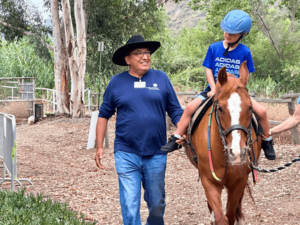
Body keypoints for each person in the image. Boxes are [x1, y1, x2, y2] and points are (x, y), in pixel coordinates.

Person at [161, 10, 276, 160]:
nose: (227, 35)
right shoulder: (214, 48)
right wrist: (214, 88)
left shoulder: (245, 52)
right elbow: (208, 68)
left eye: (232, 33)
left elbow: (246, 74)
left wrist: (239, 88)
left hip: (237, 91)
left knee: (262, 112)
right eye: (226, 31)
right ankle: (176, 137)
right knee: (189, 108)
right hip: (214, 89)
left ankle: (267, 140)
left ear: (243, 34)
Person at [94, 35, 183, 225]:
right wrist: (99, 146)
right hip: (126, 152)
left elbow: (175, 110)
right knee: (129, 203)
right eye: (139, 53)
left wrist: (183, 130)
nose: (145, 57)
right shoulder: (116, 83)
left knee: (157, 203)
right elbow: (103, 115)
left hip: (157, 152)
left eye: (147, 52)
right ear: (128, 59)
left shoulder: (161, 78)